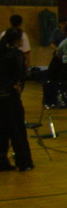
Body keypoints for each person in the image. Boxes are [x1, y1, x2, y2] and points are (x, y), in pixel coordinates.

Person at [0, 28, 34, 172]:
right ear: (17, 40)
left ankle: (2, 162)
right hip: (10, 97)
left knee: (2, 131)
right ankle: (23, 162)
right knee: (17, 130)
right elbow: (21, 74)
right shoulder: (17, 54)